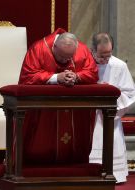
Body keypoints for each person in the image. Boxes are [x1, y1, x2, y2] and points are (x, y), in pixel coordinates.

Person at [19, 28, 99, 165]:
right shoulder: (39, 49)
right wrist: (56, 78)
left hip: (74, 108)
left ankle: (75, 165)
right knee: (42, 143)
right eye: (62, 57)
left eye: (69, 57)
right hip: (44, 109)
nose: (65, 60)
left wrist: (77, 76)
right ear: (54, 46)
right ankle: (37, 165)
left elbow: (92, 72)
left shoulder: (82, 50)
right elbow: (28, 76)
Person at [89, 32, 135, 183]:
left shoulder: (119, 65)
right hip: (88, 115)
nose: (105, 59)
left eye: (109, 55)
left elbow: (129, 93)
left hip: (110, 115)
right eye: (102, 56)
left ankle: (115, 173)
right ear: (93, 50)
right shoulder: (85, 64)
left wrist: (111, 95)